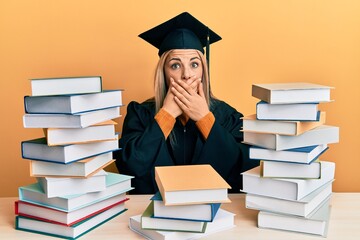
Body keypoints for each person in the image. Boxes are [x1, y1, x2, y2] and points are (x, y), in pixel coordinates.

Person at [115, 12, 258, 194]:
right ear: (164, 73)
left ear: (203, 71)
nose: (187, 74)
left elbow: (246, 168)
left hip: (213, 213)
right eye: (175, 65)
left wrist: (205, 120)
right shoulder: (140, 114)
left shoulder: (225, 115)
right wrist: (166, 115)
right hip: (156, 214)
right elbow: (129, 168)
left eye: (194, 64)